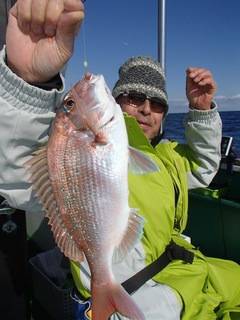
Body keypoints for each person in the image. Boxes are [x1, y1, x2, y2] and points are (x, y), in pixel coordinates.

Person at [1, 1, 240, 319]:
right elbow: (19, 175)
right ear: (115, 102)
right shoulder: (75, 145)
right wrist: (29, 82)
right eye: (134, 98)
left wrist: (200, 111)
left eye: (156, 103)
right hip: (140, 296)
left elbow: (204, 165)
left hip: (193, 273)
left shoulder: (168, 158)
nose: (145, 108)